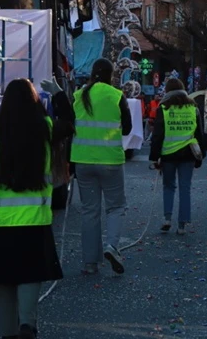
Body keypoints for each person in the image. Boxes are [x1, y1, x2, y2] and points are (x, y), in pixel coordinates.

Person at [0, 79, 68, 339]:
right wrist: (58, 93)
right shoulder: (45, 128)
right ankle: (27, 324)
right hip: (32, 219)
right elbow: (69, 124)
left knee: (2, 278)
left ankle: (6, 332)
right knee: (29, 272)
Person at [71, 58, 132, 275]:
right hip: (110, 161)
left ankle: (89, 263)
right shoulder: (116, 96)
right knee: (115, 207)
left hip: (83, 160)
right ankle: (112, 247)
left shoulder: (79, 96)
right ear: (111, 74)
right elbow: (127, 129)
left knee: (90, 211)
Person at [149, 78, 205, 235]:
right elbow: (199, 133)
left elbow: (158, 135)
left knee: (168, 186)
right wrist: (201, 156)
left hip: (168, 154)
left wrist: (155, 156)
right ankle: (182, 225)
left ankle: (167, 219)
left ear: (167, 91)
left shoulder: (164, 108)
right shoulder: (193, 107)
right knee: (185, 188)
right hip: (188, 153)